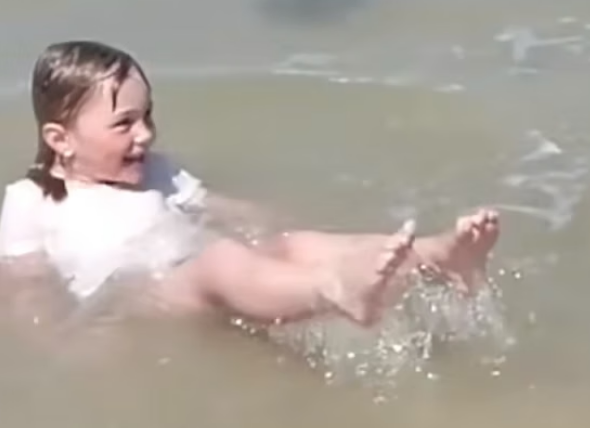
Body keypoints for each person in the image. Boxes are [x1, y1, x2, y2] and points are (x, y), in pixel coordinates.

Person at [0, 40, 501, 329]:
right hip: (135, 303)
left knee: (294, 245)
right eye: (123, 124)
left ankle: (438, 258)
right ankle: (334, 290)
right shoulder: (29, 202)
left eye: (147, 116)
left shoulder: (158, 171)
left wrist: (276, 227)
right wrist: (60, 345)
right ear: (60, 139)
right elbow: (27, 288)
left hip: (211, 276)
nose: (145, 134)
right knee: (217, 263)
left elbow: (227, 210)